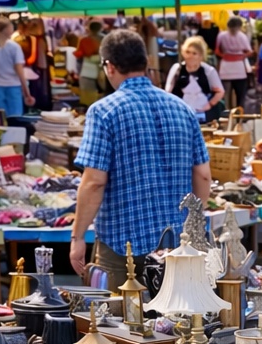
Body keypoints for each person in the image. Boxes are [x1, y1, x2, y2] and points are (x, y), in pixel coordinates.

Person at [69, 29, 211, 287]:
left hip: (123, 246)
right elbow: (202, 175)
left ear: (109, 67)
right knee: (178, 322)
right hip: (179, 244)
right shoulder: (183, 109)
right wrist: (193, 227)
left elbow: (94, 182)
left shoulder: (103, 111)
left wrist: (77, 237)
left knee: (118, 322)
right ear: (146, 63)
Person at [164, 37, 225, 122]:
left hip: (203, 113)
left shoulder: (209, 71)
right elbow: (168, 92)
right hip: (183, 113)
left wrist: (209, 105)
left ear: (200, 56)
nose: (190, 56)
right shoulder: (177, 69)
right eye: (188, 52)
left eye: (194, 53)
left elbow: (220, 91)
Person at [215, 17, 254, 110]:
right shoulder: (242, 36)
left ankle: (226, 114)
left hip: (225, 66)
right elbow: (249, 52)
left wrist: (224, 56)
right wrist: (241, 56)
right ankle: (239, 116)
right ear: (240, 26)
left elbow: (216, 51)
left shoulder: (221, 35)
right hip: (239, 67)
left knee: (225, 95)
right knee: (240, 96)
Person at [72, 21, 105, 106]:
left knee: (87, 99)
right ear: (101, 28)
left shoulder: (84, 40)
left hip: (87, 71)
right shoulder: (105, 40)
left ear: (89, 29)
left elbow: (78, 55)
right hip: (103, 72)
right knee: (103, 96)